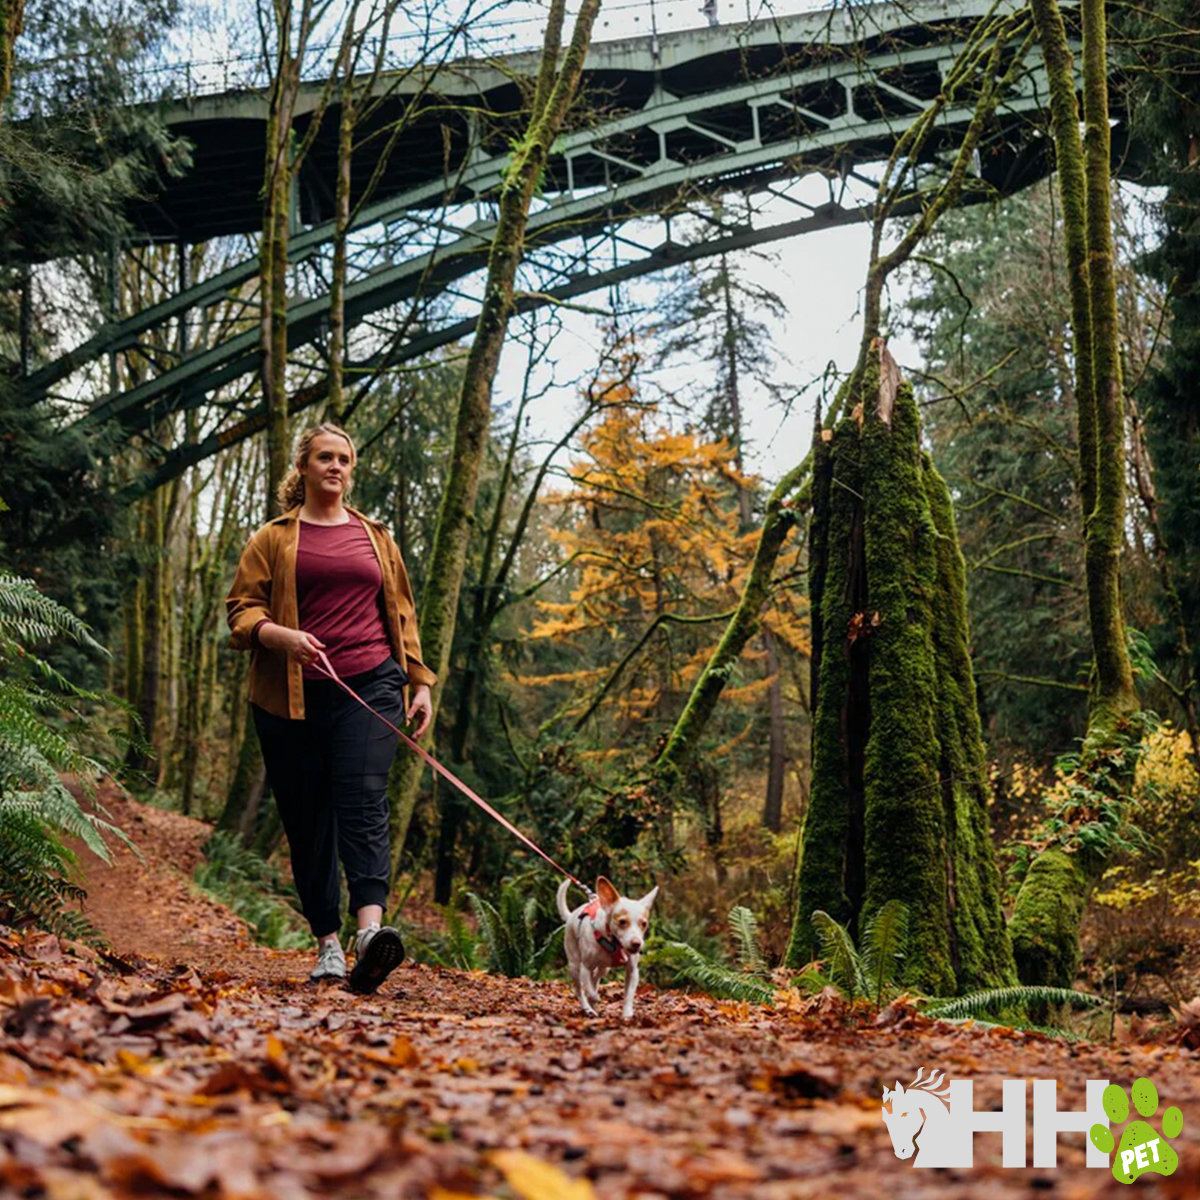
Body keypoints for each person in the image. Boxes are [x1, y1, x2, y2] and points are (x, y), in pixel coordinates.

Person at [225, 423, 435, 993]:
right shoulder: (272, 538)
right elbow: (240, 612)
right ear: (304, 467)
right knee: (308, 818)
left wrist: (419, 680)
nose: (335, 467)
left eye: (344, 458)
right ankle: (328, 944)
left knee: (364, 798)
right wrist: (279, 636)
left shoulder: (376, 538)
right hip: (288, 698)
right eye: (324, 457)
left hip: (370, 686)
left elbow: (404, 613)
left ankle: (371, 934)